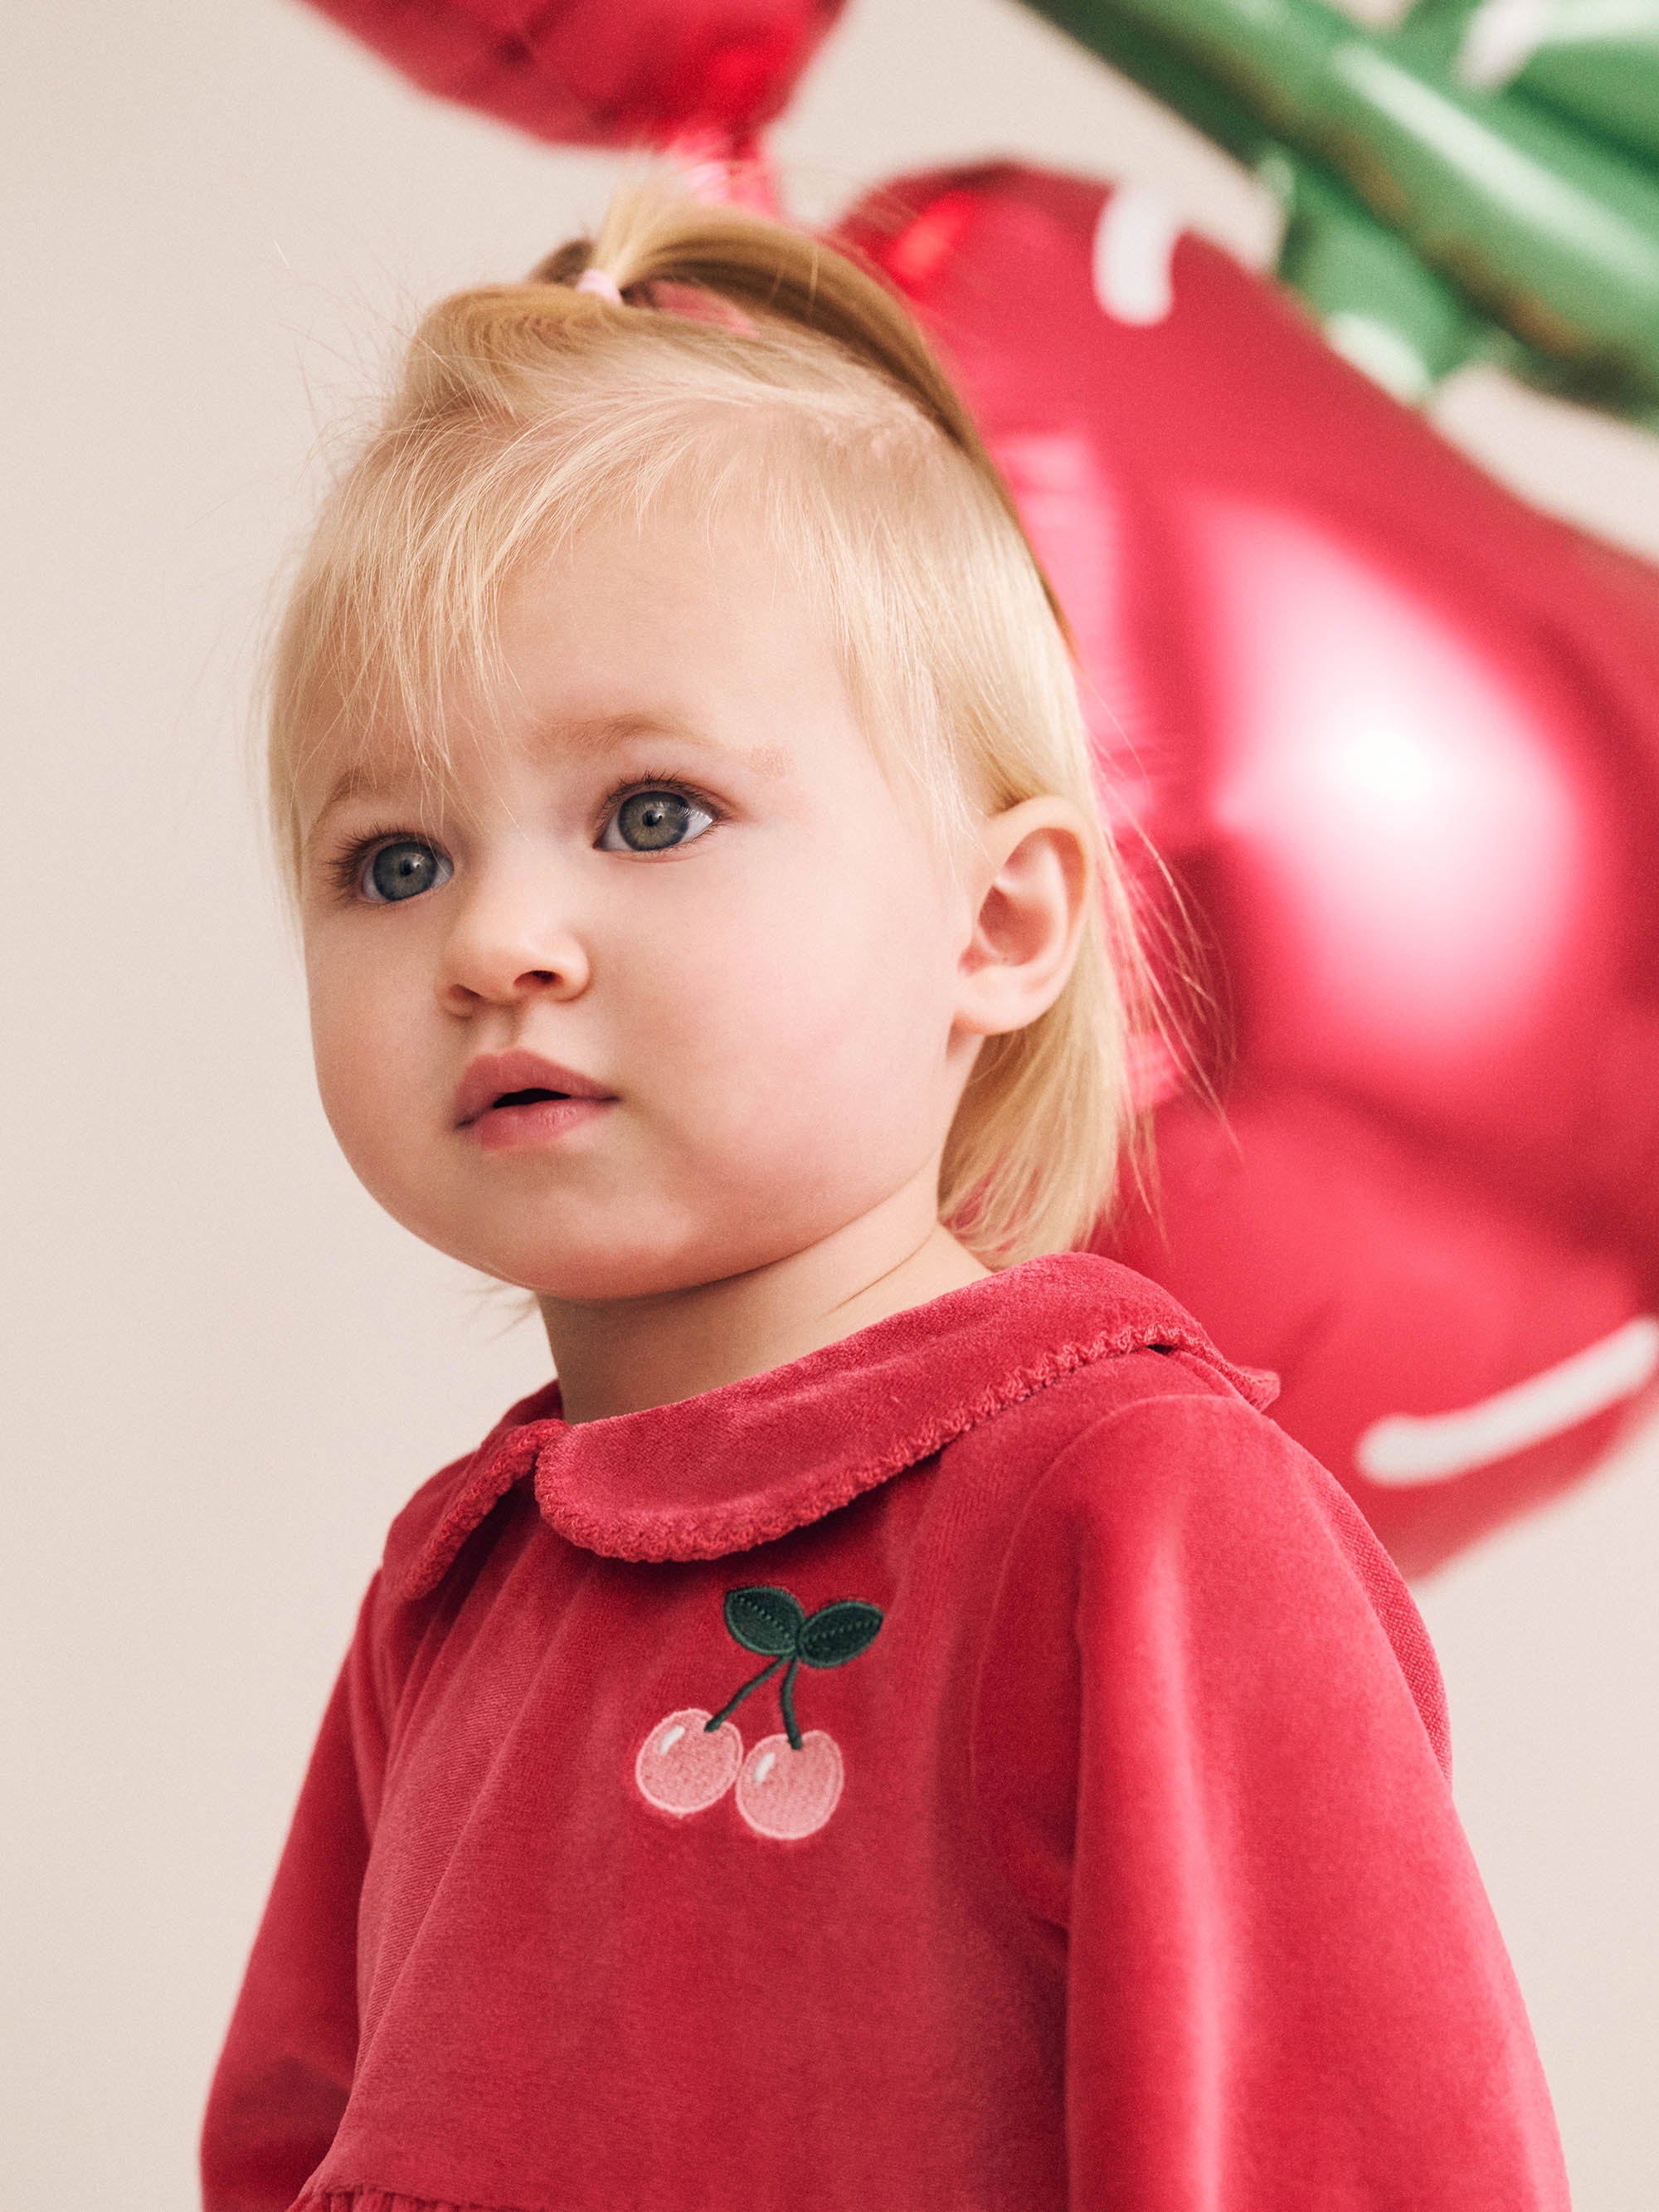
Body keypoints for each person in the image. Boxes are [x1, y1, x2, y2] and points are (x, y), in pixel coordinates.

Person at [200, 178, 1569, 2212]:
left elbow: (1346, 2161)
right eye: (392, 858)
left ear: (1000, 922)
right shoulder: (457, 1580)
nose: (495, 937)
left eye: (650, 812)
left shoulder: (1130, 1510)